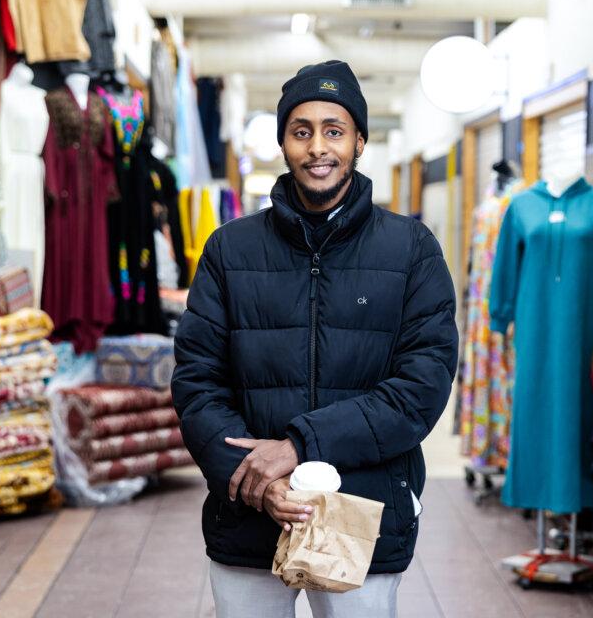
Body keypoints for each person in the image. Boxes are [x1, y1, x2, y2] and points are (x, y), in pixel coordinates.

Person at [172, 60, 457, 618]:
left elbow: (422, 386)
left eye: (335, 130)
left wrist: (299, 446)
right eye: (301, 131)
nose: (318, 147)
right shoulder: (230, 251)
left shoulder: (410, 250)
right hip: (249, 517)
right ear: (283, 141)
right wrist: (250, 481)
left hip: (364, 512)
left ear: (359, 141)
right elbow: (197, 381)